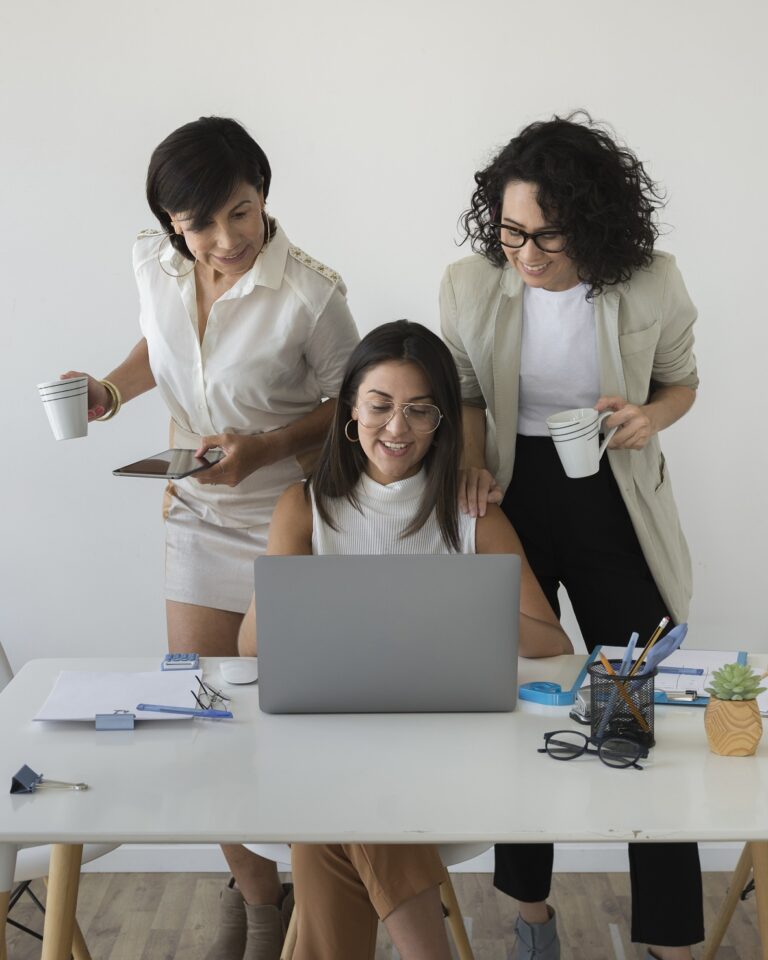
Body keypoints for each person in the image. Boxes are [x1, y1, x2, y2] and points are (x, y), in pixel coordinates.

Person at [62, 116, 360, 960]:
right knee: (197, 722)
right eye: (200, 224)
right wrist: (108, 394)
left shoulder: (310, 292)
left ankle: (313, 901)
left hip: (286, 517)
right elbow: (161, 349)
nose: (225, 239)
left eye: (241, 212)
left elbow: (353, 405)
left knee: (278, 719)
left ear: (264, 196)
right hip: (195, 512)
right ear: (171, 225)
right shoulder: (151, 264)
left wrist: (263, 448)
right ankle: (259, 901)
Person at [440, 112, 701, 960]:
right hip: (517, 496)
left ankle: (665, 938)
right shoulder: (470, 284)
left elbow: (681, 383)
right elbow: (469, 392)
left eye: (546, 237)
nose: (525, 254)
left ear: (593, 224)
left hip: (614, 493)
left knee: (632, 709)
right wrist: (473, 466)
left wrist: (648, 417)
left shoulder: (652, 282)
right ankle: (531, 915)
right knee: (527, 699)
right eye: (511, 232)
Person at [238, 320, 573, 959]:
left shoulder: (475, 513)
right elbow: (253, 648)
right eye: (380, 406)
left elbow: (550, 642)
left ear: (443, 420)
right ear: (349, 412)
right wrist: (291, 600)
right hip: (328, 744)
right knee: (338, 800)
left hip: (447, 753)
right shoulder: (302, 507)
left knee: (330, 812)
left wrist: (456, 606)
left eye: (420, 410)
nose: (397, 428)